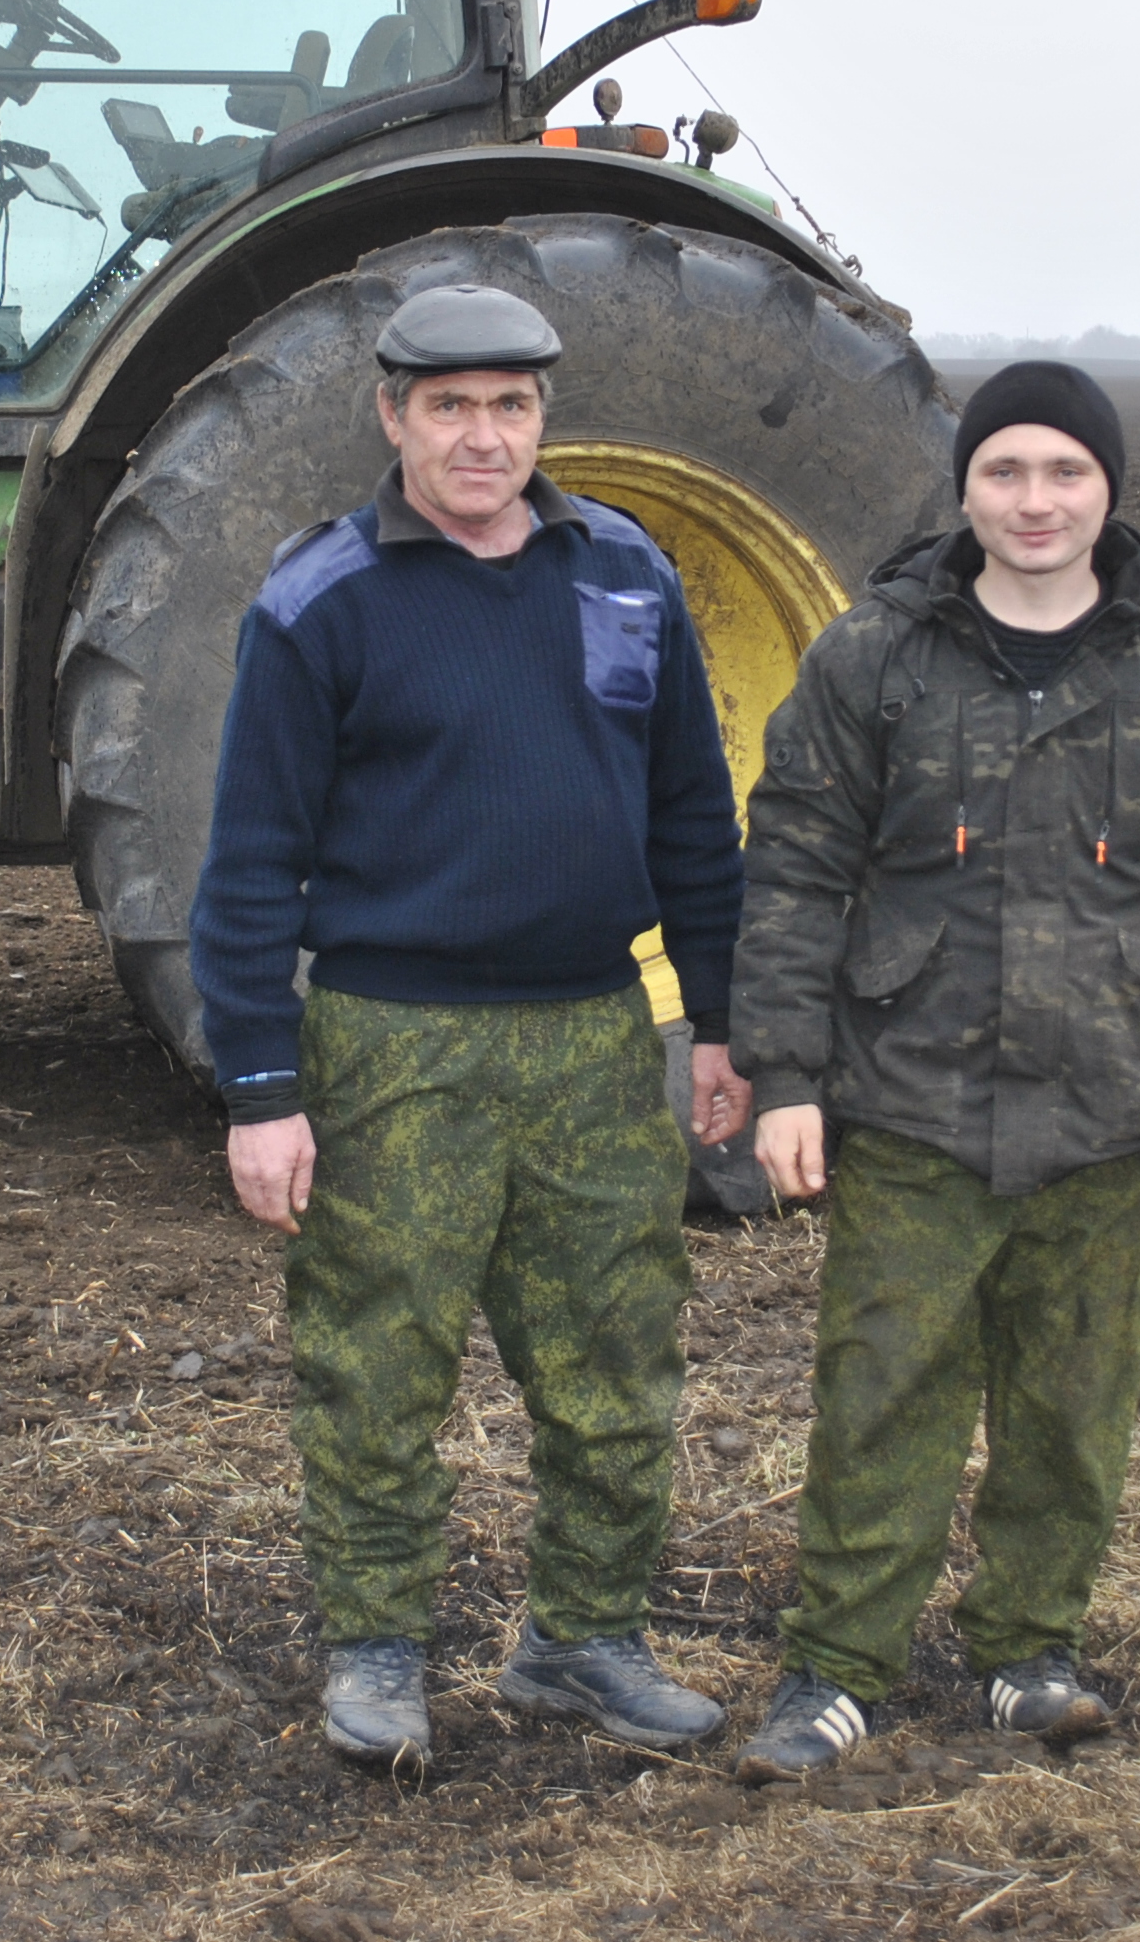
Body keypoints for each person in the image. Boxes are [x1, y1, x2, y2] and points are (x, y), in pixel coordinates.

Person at [190, 280, 755, 1768]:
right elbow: (249, 861)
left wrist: (717, 1023)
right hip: (397, 1044)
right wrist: (261, 1088)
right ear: (392, 416)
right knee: (378, 1366)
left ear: (542, 418)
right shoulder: (323, 602)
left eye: (510, 405)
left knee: (616, 1363)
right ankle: (378, 1654)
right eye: (450, 407)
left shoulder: (624, 573)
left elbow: (696, 816)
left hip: (590, 1036)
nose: (482, 437)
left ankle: (585, 1641)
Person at [723, 360, 1140, 1781]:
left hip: (1117, 1103)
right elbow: (797, 870)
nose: (1035, 501)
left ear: (1108, 489)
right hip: (911, 1095)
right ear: (967, 488)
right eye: (1006, 472)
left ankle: (1028, 1652)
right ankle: (837, 1670)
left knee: (1071, 1400)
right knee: (883, 1390)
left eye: (1064, 473)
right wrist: (787, 1074)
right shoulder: (876, 656)